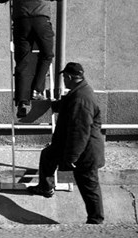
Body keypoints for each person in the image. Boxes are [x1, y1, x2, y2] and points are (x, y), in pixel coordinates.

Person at [27, 62, 105, 225]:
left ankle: (96, 220)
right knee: (48, 154)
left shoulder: (81, 98)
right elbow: (69, 105)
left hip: (85, 151)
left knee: (88, 184)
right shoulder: (80, 92)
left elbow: (80, 132)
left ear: (69, 77)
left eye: (64, 77)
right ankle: (45, 187)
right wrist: (53, 104)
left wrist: (72, 157)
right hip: (72, 145)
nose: (64, 80)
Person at [0, 0, 64, 118]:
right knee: (47, 54)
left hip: (21, 23)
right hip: (41, 21)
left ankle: (22, 101)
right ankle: (37, 89)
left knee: (22, 61)